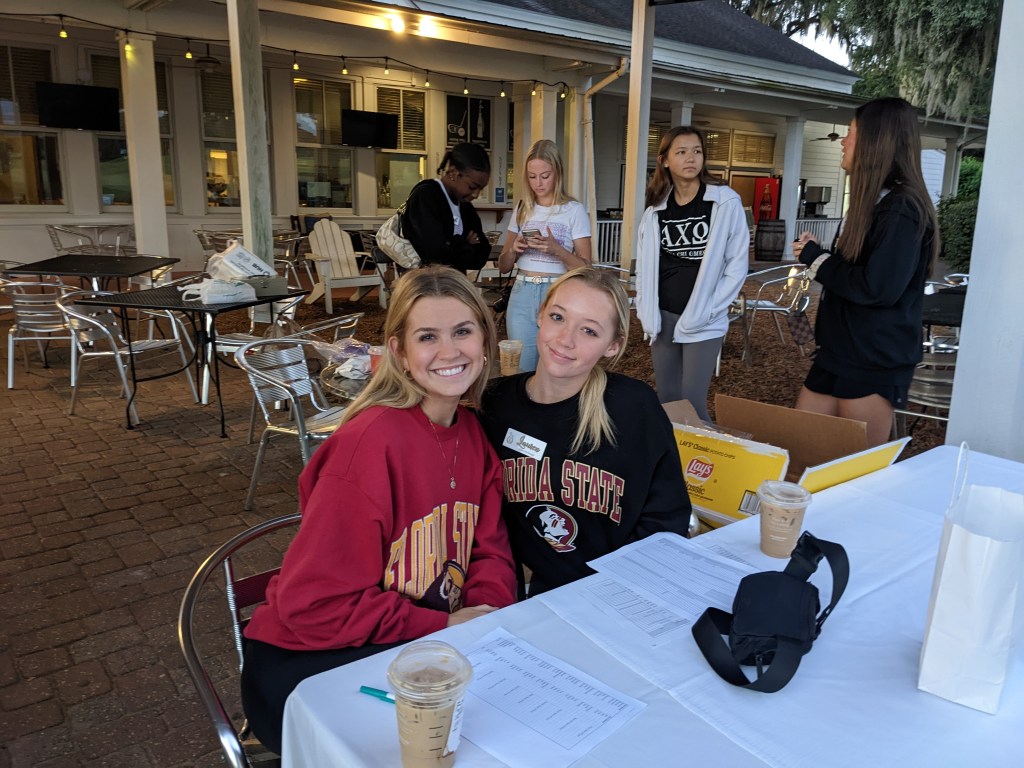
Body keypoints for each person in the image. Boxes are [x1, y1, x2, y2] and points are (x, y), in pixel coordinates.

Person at [241, 266, 517, 754]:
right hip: (315, 662)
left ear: (485, 341)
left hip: (423, 646)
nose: (450, 351)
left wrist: (483, 617)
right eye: (427, 337)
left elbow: (490, 552)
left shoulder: (473, 434)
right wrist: (444, 626)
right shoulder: (369, 446)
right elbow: (314, 606)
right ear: (399, 352)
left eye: (463, 331)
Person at [479, 267, 692, 596]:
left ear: (612, 345)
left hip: (621, 591)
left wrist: (613, 592)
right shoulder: (494, 404)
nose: (566, 339)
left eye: (589, 331)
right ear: (540, 315)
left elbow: (667, 518)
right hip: (538, 596)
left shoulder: (632, 408)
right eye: (558, 317)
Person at [793, 97, 939, 447]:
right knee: (799, 447)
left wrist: (817, 260)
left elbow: (878, 288)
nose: (843, 141)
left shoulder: (902, 209)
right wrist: (823, 257)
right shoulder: (871, 205)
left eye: (851, 133)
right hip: (837, 352)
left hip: (872, 358)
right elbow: (858, 272)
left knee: (857, 467)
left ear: (876, 142)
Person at [635, 126, 750, 422]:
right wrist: (646, 310)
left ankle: (703, 450)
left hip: (703, 318)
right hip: (663, 316)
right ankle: (672, 450)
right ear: (665, 160)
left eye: (697, 151)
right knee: (667, 399)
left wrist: (712, 309)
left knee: (692, 402)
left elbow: (737, 264)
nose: (691, 158)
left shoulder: (724, 201)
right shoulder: (655, 210)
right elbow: (646, 267)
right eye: (682, 152)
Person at [497, 139, 592, 371]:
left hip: (557, 291)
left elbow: (587, 268)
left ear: (557, 172)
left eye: (545, 176)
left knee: (554, 365)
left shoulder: (574, 210)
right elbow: (503, 266)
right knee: (522, 368)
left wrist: (556, 250)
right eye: (532, 176)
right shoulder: (523, 208)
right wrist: (514, 249)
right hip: (522, 291)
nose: (538, 183)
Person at [402, 142, 493, 274]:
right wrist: (465, 244)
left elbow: (481, 256)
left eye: (481, 189)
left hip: (454, 282)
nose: (476, 194)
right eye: (472, 187)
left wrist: (452, 244)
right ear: (453, 172)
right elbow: (434, 254)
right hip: (423, 281)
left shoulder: (465, 207)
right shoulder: (426, 196)